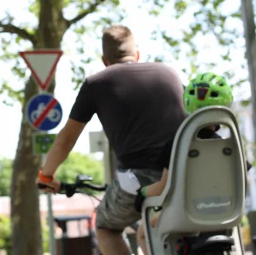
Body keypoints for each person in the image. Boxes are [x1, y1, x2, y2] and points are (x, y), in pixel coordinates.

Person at [36, 25, 186, 255]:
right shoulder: (170, 74)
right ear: (137, 54)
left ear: (104, 60)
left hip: (138, 180)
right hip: (185, 173)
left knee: (106, 226)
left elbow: (66, 139)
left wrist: (47, 175)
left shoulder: (96, 84)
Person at [134, 72, 252, 255]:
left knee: (142, 233)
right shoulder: (231, 150)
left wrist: (141, 194)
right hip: (225, 216)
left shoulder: (177, 146)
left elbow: (162, 188)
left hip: (184, 217)